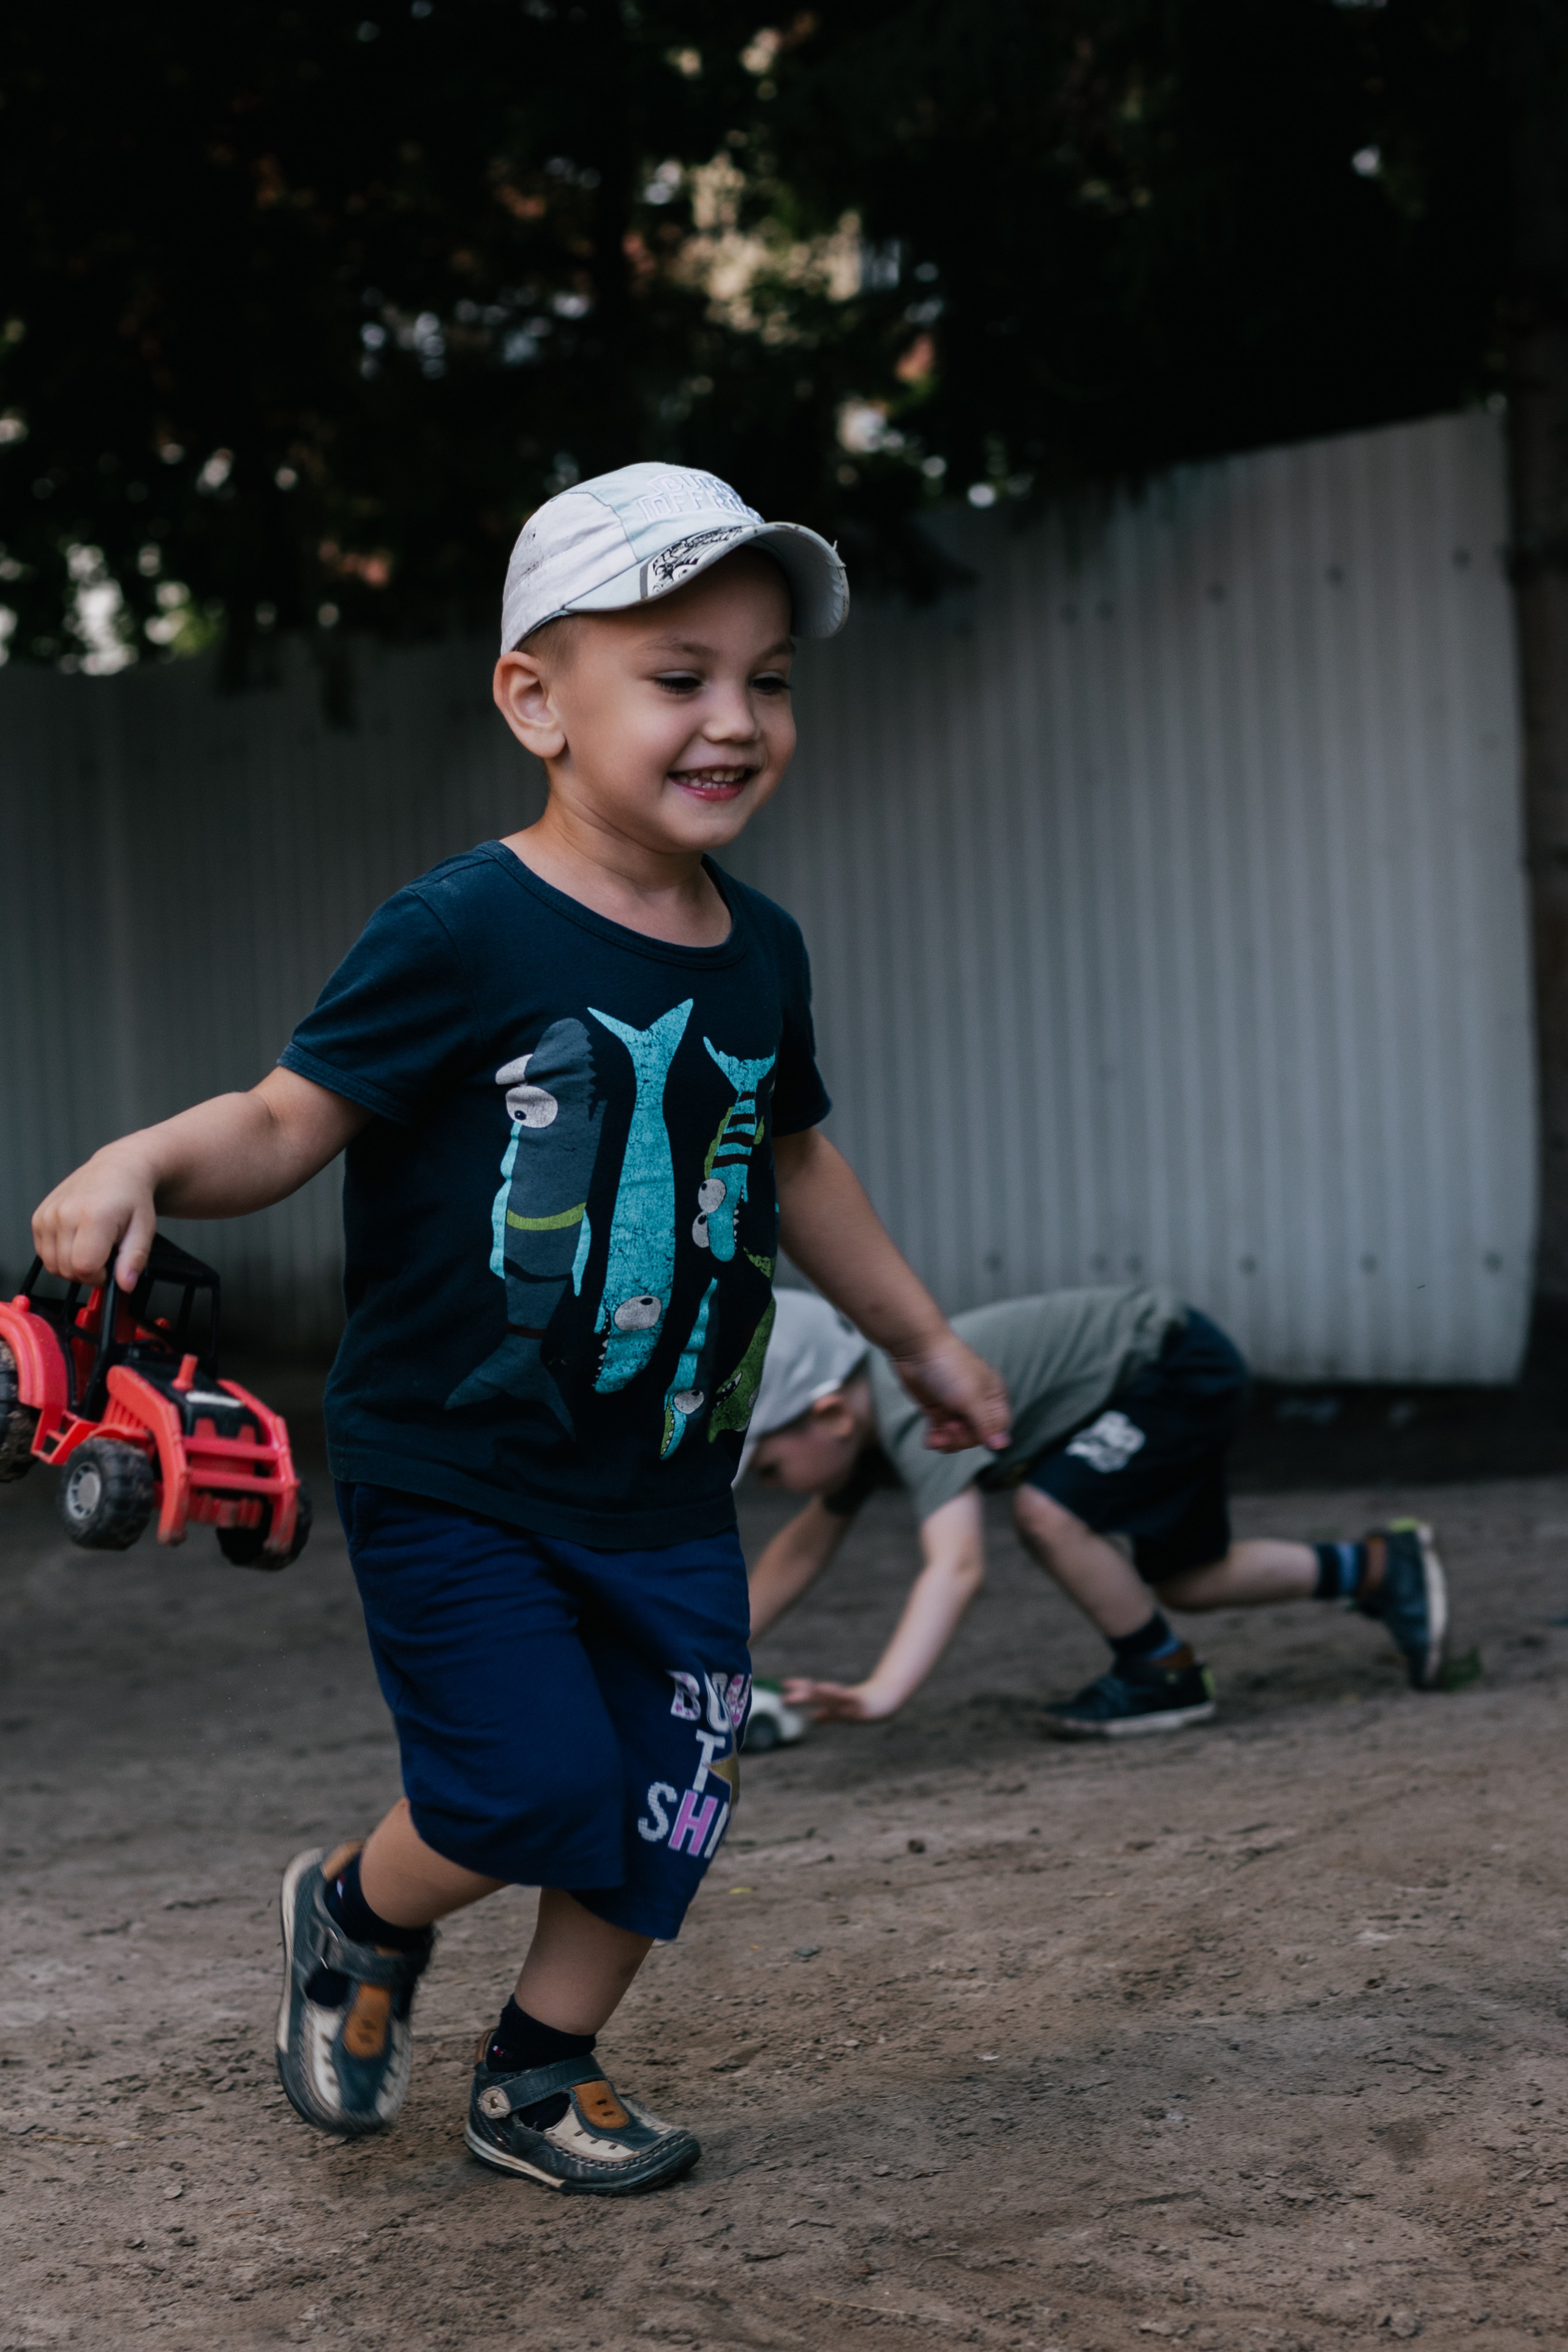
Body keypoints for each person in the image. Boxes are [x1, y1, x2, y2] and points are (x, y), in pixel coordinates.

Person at [29, 464, 1011, 2195]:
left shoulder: (761, 952)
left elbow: (797, 1165)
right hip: (460, 1465)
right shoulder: (460, 928)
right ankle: (351, 1918)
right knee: (514, 1791)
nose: (736, 719)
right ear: (537, 702)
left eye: (768, 679)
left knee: (662, 1809)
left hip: (667, 1485)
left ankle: (539, 2079)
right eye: (680, 675)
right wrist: (141, 1158)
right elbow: (284, 1120)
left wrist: (920, 1342)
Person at [742, 1286, 1450, 1735]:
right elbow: (800, 1552)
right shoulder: (865, 1434)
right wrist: (708, 1649)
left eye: (768, 1465)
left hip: (1171, 1367)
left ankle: (1160, 1675)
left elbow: (956, 1567)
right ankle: (1380, 1569)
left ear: (831, 1414)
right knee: (1189, 1579)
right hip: (1162, 1375)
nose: (769, 1484)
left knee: (1047, 1514)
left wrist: (879, 1693)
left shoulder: (909, 1408)